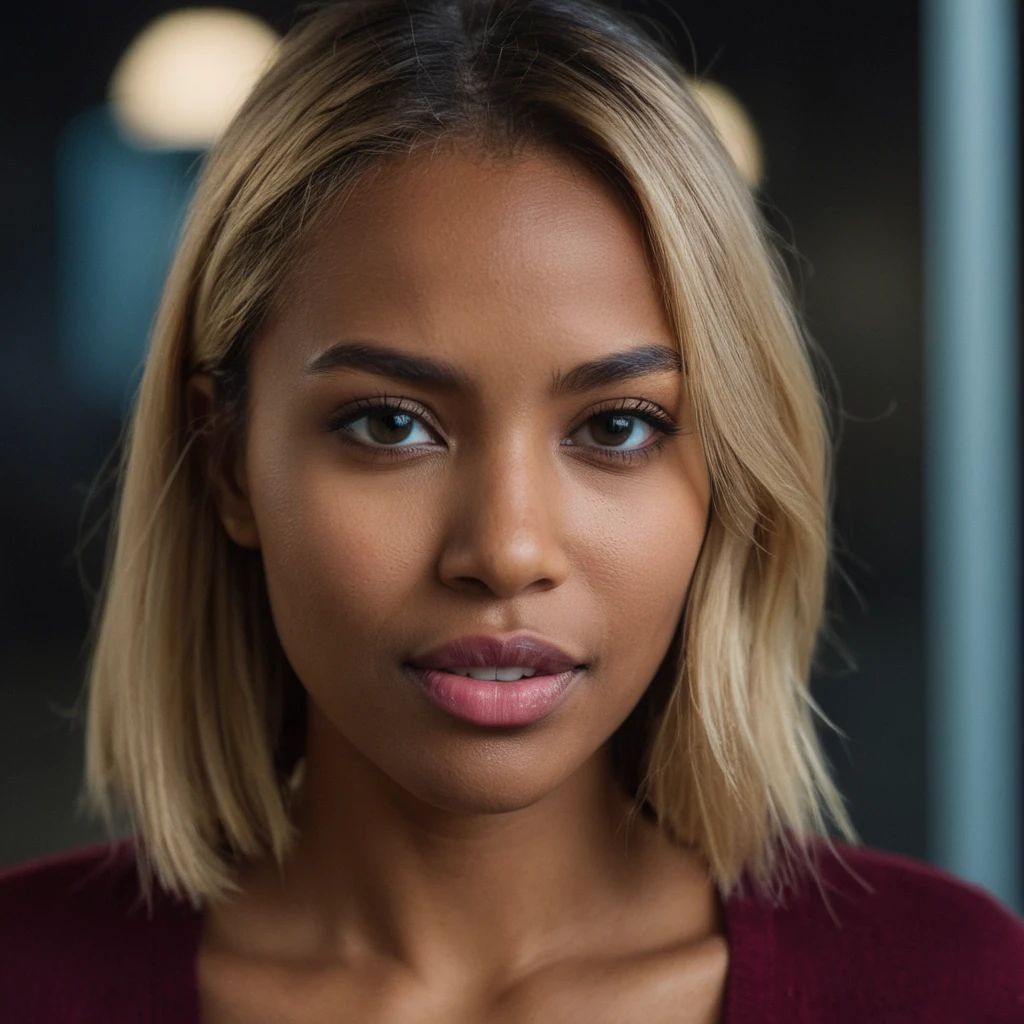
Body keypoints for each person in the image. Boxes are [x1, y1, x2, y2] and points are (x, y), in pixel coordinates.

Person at [3, 0, 1023, 1020]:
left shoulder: (948, 987)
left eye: (617, 427)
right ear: (225, 460)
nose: (505, 548)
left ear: (729, 474)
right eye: (390, 425)